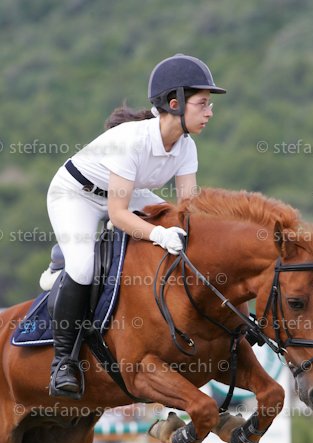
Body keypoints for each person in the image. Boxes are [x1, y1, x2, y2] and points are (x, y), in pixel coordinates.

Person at [46, 54, 226, 399]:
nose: (209, 113)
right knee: (82, 268)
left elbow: (188, 211)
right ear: (175, 103)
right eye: (203, 104)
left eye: (209, 105)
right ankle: (63, 362)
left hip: (127, 193)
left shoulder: (186, 147)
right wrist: (159, 234)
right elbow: (118, 215)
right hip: (77, 195)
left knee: (176, 225)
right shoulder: (132, 140)